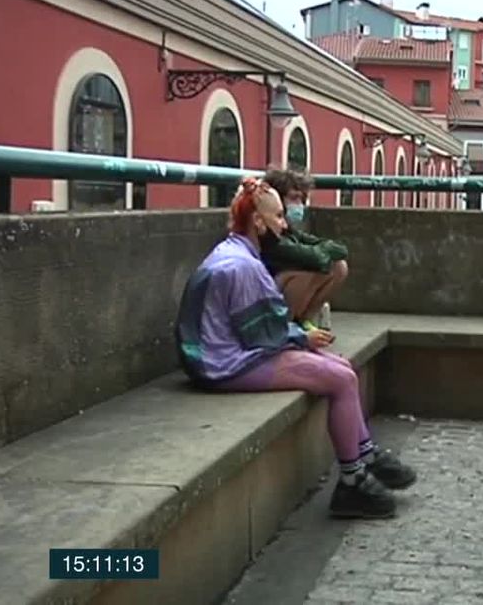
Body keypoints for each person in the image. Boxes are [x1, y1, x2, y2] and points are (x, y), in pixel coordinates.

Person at [174, 177, 417, 520]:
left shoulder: (237, 254)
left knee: (341, 367)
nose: (284, 224)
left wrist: (306, 344)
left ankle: (364, 455)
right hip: (225, 364)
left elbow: (261, 328)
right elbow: (260, 334)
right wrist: (303, 340)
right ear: (258, 222)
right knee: (341, 379)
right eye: (277, 217)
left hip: (226, 354)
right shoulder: (243, 267)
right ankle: (353, 480)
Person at [260, 168, 349, 330]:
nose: (298, 205)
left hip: (282, 290)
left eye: (302, 199)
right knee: (307, 272)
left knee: (339, 266)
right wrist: (323, 251)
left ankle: (304, 320)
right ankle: (285, 327)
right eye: (293, 198)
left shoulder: (288, 230)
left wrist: (324, 250)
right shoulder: (267, 235)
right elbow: (314, 258)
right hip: (265, 300)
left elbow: (341, 250)